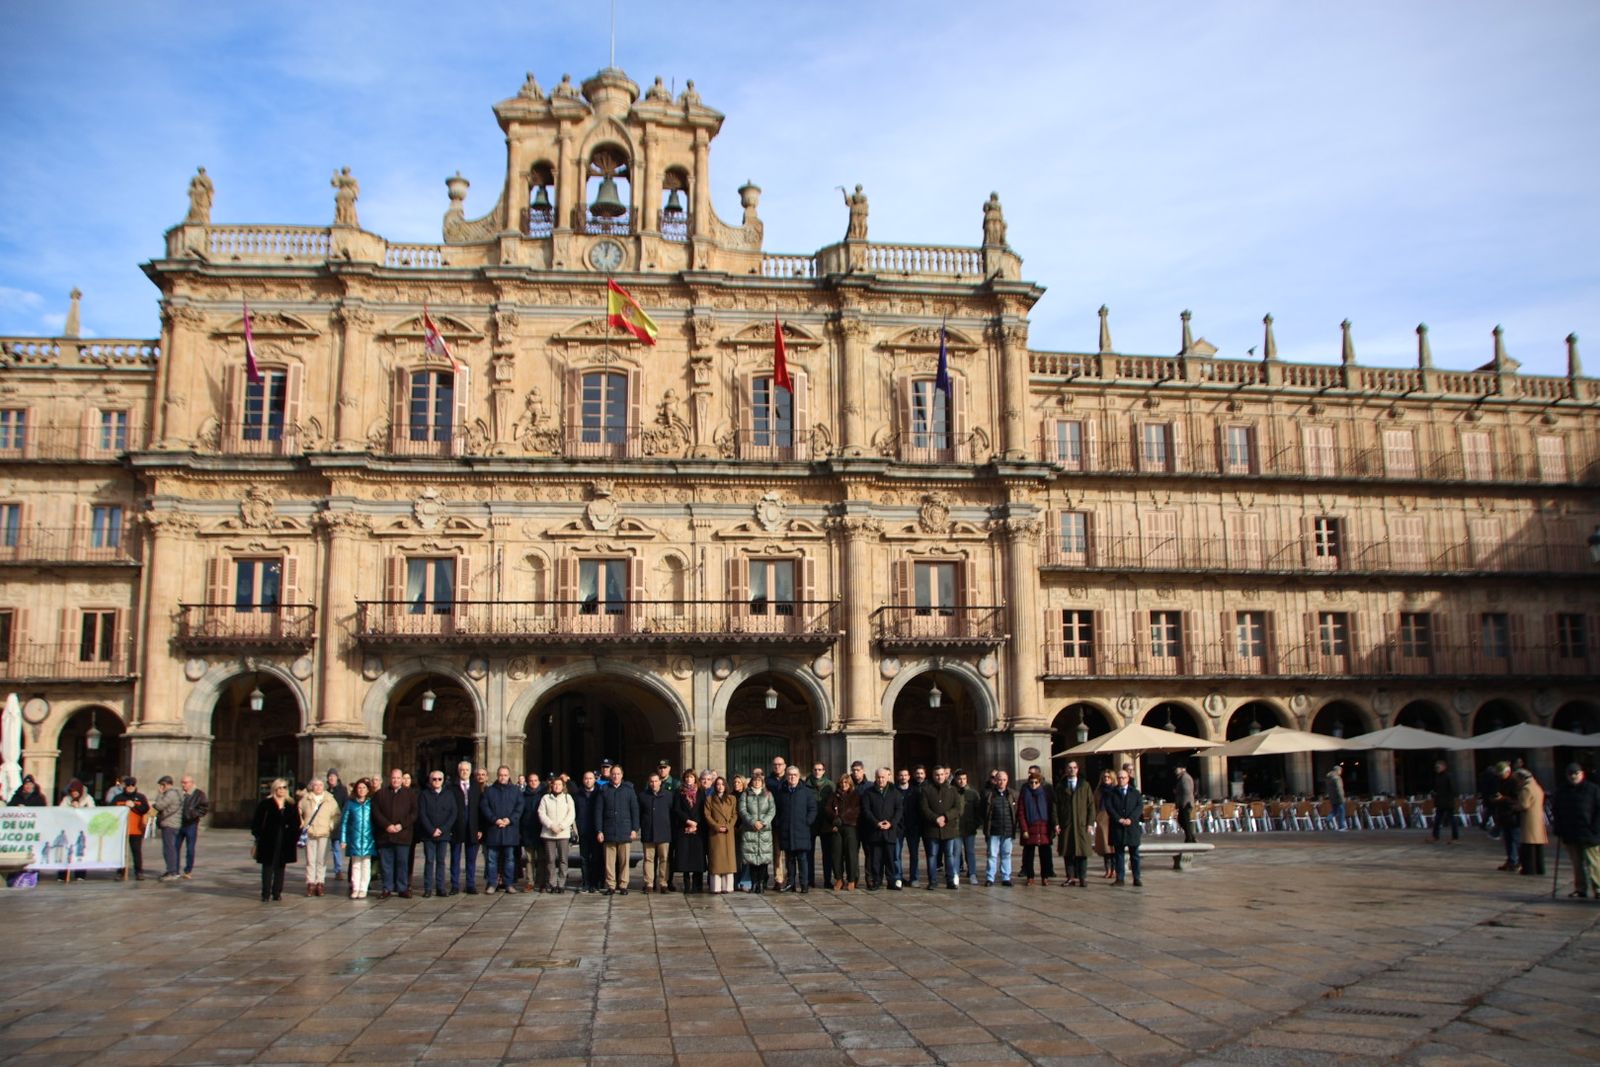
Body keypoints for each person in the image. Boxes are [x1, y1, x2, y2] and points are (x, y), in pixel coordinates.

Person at [1552, 764, 1600, 898]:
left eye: (1576, 773)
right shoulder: (1562, 791)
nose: (1573, 776)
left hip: (1589, 832)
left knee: (1594, 862)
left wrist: (1595, 827)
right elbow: (1557, 811)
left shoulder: (1593, 789)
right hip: (1570, 832)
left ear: (1582, 774)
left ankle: (1598, 888)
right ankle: (1580, 888)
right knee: (1577, 863)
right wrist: (1559, 828)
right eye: (1570, 774)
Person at [251, 778, 301, 902]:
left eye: (284, 787)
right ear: (274, 789)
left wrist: (294, 837)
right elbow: (256, 822)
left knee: (280, 867)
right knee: (267, 867)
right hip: (268, 840)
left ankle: (277, 892)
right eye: (279, 787)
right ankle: (265, 893)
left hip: (285, 840)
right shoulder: (265, 804)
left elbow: (296, 823)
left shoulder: (291, 805)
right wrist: (259, 835)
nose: (282, 790)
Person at [372, 768, 419, 899]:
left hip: (403, 835)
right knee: (386, 864)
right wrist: (387, 825)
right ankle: (387, 887)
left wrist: (401, 825)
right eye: (394, 778)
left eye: (398, 778)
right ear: (389, 778)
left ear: (402, 779)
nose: (396, 780)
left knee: (402, 863)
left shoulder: (410, 795)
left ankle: (402, 888)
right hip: (385, 835)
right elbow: (376, 812)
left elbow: (414, 813)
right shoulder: (380, 794)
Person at [773, 765, 818, 893]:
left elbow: (813, 809)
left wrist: (807, 822)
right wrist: (779, 822)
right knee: (790, 860)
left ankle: (804, 884)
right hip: (787, 830)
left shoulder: (806, 791)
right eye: (789, 775)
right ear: (786, 776)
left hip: (801, 830)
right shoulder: (782, 792)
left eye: (794, 775)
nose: (792, 777)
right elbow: (777, 810)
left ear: (799, 776)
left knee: (802, 859)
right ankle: (791, 883)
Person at [479, 765, 523, 894]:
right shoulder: (489, 791)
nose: (503, 777)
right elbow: (485, 807)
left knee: (510, 859)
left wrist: (510, 820)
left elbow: (519, 807)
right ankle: (492, 883)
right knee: (492, 859)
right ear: (497, 776)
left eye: (505, 775)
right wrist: (495, 819)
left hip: (510, 830)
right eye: (500, 775)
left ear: (509, 776)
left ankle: (508, 883)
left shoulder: (516, 791)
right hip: (494, 829)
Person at [597, 764, 639, 895]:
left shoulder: (629, 789)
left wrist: (634, 829)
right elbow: (598, 811)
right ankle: (611, 885)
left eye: (618, 774)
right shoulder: (604, 789)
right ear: (610, 775)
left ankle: (623, 884)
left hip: (624, 829)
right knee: (609, 861)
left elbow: (634, 810)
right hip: (608, 829)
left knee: (624, 860)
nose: (615, 776)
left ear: (622, 775)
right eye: (613, 774)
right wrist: (599, 830)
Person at [860, 767, 903, 890]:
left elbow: (899, 810)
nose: (881, 780)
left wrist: (891, 823)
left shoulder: (895, 792)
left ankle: (891, 881)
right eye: (878, 777)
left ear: (888, 777)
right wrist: (876, 823)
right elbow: (866, 810)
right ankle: (877, 881)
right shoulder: (869, 792)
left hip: (890, 832)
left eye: (883, 777)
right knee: (876, 860)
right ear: (875, 778)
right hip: (875, 832)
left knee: (890, 859)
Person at [416, 769, 457, 898]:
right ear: (430, 780)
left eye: (439, 779)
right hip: (429, 834)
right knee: (429, 861)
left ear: (443, 780)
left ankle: (440, 887)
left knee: (441, 861)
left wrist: (443, 829)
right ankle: (428, 888)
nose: (437, 781)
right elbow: (422, 814)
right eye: (434, 779)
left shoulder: (449, 794)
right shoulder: (424, 794)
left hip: (443, 834)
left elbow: (453, 813)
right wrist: (431, 829)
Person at [298, 776, 340, 897]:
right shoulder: (306, 798)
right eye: (315, 785)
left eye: (320, 785)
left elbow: (337, 814)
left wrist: (331, 825)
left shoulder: (329, 799)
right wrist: (302, 822)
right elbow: (298, 810)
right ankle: (310, 883)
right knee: (310, 860)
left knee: (321, 860)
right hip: (310, 832)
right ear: (312, 786)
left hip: (324, 833)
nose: (318, 787)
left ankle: (320, 883)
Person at [920, 764, 961, 889]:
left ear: (946, 775)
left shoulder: (952, 790)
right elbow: (924, 808)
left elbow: (957, 808)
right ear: (933, 776)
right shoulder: (926, 790)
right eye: (937, 775)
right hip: (932, 829)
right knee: (932, 855)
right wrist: (935, 818)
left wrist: (946, 817)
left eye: (942, 774)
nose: (939, 777)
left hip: (948, 828)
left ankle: (950, 880)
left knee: (949, 855)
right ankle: (933, 881)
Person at [1055, 760, 1095, 888]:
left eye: (1074, 767)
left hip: (1081, 824)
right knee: (1068, 852)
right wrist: (1056, 823)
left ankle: (1082, 877)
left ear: (1078, 769)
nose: (1072, 770)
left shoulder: (1085, 785)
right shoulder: (1061, 786)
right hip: (1066, 823)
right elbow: (1055, 806)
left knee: (1082, 852)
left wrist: (1090, 823)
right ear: (1066, 770)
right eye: (1069, 768)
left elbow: (1091, 805)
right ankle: (1070, 877)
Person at [738, 769, 776, 893]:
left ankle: (761, 883)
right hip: (750, 831)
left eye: (759, 781)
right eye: (755, 780)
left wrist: (763, 822)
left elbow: (772, 810)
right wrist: (753, 822)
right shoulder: (745, 794)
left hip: (764, 832)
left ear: (763, 782)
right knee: (752, 859)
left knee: (764, 860)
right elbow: (743, 810)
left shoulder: (768, 795)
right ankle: (754, 883)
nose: (757, 783)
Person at [1017, 765, 1056, 886]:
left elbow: (1051, 810)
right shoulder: (1025, 792)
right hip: (1030, 827)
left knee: (1045, 854)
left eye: (1035, 782)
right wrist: (1024, 828)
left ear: (1040, 781)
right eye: (1031, 782)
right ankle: (1030, 876)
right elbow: (1021, 811)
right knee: (1028, 854)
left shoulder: (1046, 791)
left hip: (1044, 827)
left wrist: (1054, 825)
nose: (1033, 784)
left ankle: (1045, 876)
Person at [1104, 768, 1144, 887]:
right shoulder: (1112, 793)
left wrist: (1131, 819)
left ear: (1128, 778)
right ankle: (1120, 878)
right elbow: (1109, 807)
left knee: (1135, 855)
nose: (1121, 780)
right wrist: (1119, 819)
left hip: (1132, 828)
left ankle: (1137, 878)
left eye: (1124, 777)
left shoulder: (1135, 792)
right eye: (1119, 778)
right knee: (1119, 854)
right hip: (1118, 827)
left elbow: (1139, 807)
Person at [451, 762, 485, 894]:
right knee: (455, 858)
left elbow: (480, 810)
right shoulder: (452, 787)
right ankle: (455, 885)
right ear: (458, 771)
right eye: (462, 770)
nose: (464, 772)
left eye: (467, 770)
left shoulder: (476, 787)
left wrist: (480, 828)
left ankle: (470, 884)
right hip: (457, 827)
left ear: (471, 772)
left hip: (473, 826)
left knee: (471, 858)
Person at [340, 777, 376, 899]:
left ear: (367, 790)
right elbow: (344, 822)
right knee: (355, 864)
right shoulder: (350, 804)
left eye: (364, 788)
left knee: (366, 864)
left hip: (368, 838)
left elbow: (375, 821)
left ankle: (363, 888)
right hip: (354, 838)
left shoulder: (371, 803)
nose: (361, 790)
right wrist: (343, 839)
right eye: (359, 788)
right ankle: (355, 887)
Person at [637, 772, 673, 893]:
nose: (654, 784)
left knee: (664, 859)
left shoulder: (668, 796)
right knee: (649, 859)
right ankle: (649, 884)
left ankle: (663, 883)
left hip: (664, 832)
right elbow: (639, 813)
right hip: (649, 832)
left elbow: (672, 813)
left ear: (660, 782)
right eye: (651, 781)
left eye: (656, 781)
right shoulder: (642, 796)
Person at [537, 775, 574, 892]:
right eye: (555, 784)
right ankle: (552, 883)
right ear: (551, 786)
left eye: (559, 784)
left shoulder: (568, 798)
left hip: (563, 834)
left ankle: (561, 883)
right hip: (549, 834)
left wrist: (562, 826)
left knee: (563, 860)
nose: (557, 786)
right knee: (550, 859)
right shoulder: (545, 798)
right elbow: (541, 813)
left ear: (563, 786)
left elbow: (571, 815)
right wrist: (551, 825)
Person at [672, 770, 707, 894]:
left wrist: (696, 823)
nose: (688, 779)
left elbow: (704, 810)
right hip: (684, 829)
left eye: (691, 777)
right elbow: (676, 809)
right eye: (686, 777)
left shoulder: (701, 792)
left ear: (695, 778)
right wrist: (688, 821)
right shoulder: (679, 792)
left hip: (698, 830)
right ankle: (687, 885)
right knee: (685, 858)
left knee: (697, 859)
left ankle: (697, 885)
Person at [703, 776, 739, 894]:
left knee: (728, 860)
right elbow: (707, 815)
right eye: (718, 784)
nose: (720, 786)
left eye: (722, 784)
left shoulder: (732, 799)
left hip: (728, 833)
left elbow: (735, 814)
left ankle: (728, 887)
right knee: (716, 860)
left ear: (726, 786)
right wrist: (717, 826)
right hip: (715, 833)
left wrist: (728, 826)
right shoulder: (709, 799)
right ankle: (716, 887)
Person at [110, 777, 150, 881]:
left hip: (136, 829)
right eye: (128, 785)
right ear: (125, 786)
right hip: (122, 830)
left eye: (132, 785)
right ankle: (120, 872)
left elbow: (145, 809)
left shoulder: (140, 797)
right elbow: (111, 810)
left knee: (136, 851)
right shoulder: (118, 798)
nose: (130, 787)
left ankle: (139, 872)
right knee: (121, 852)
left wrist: (133, 806)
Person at [982, 770, 1017, 887]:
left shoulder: (1012, 794)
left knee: (1006, 854)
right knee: (992, 854)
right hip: (993, 830)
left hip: (1007, 830)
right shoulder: (989, 795)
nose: (1001, 782)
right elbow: (983, 812)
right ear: (995, 780)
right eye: (999, 779)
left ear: (1007, 780)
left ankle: (1006, 877)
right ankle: (990, 878)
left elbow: (1016, 812)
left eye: (1004, 780)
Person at [828, 771, 861, 890]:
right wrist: (834, 818)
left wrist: (841, 818)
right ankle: (838, 879)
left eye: (846, 782)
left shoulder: (856, 795)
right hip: (837, 828)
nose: (843, 784)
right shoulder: (834, 795)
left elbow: (856, 811)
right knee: (836, 854)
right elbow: (828, 809)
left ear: (850, 783)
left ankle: (851, 879)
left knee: (851, 855)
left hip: (850, 827)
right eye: (842, 782)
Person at [571, 770, 603, 892]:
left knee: (596, 858)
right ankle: (586, 882)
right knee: (584, 858)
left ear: (594, 779)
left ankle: (596, 882)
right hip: (583, 830)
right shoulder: (577, 794)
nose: (588, 781)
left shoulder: (599, 793)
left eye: (590, 778)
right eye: (586, 778)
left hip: (596, 830)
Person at [1512, 768, 1547, 876]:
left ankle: (1530, 869)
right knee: (1538, 847)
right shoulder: (1537, 786)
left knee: (1529, 845)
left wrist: (1514, 807)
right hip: (1538, 818)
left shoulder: (1526, 788)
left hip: (1529, 819)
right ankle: (1540, 868)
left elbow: (1524, 805)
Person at [807, 761, 835, 889]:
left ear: (824, 771)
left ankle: (827, 879)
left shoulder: (830, 785)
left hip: (826, 823)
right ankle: (809, 879)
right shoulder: (806, 784)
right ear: (812, 771)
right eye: (815, 769)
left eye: (820, 769)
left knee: (827, 854)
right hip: (811, 823)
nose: (817, 771)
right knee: (808, 853)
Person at [894, 767, 922, 889]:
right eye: (901, 775)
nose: (903, 777)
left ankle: (914, 877)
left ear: (909, 777)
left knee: (914, 854)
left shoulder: (915, 791)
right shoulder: (894, 791)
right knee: (896, 854)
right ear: (897, 777)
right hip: (898, 827)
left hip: (912, 827)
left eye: (905, 775)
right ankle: (898, 877)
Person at [151, 775, 183, 880]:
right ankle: (171, 870)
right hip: (173, 823)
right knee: (170, 848)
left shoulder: (170, 794)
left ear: (165, 784)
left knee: (169, 849)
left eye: (161, 785)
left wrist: (160, 794)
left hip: (170, 824)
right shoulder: (176, 793)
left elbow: (159, 805)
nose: (160, 787)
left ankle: (172, 871)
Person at [1491, 762, 1522, 871]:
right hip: (1504, 815)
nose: (1499, 776)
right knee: (1507, 840)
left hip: (1513, 815)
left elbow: (1517, 800)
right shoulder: (1500, 781)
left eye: (1501, 774)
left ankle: (1517, 862)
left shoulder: (1515, 782)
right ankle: (1510, 860)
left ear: (1508, 772)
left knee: (1515, 839)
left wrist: (1503, 798)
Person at [177, 774, 209, 879]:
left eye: (185, 783)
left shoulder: (199, 794)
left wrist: (193, 814)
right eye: (182, 782)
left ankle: (188, 870)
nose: (183, 785)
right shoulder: (179, 794)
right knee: (175, 847)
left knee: (190, 848)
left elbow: (204, 808)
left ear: (191, 783)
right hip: (179, 823)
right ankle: (175, 869)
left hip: (191, 824)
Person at [952, 769, 981, 884]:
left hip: (969, 828)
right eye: (959, 779)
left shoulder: (973, 793)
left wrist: (976, 824)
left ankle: (972, 873)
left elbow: (978, 811)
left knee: (970, 851)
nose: (962, 781)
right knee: (956, 852)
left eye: (964, 779)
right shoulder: (952, 792)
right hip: (956, 828)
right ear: (955, 779)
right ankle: (955, 874)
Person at [325, 769, 349, 881]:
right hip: (326, 823)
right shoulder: (326, 791)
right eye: (330, 777)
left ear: (337, 778)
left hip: (338, 822)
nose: (331, 779)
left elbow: (345, 805)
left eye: (333, 776)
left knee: (336, 847)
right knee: (328, 848)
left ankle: (338, 870)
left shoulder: (342, 790)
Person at [1093, 769, 1117, 880]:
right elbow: (1095, 805)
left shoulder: (1116, 790)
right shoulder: (1098, 791)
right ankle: (1107, 870)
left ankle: (1114, 869)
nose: (1106, 779)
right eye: (1104, 777)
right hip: (1102, 819)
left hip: (1113, 819)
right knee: (1105, 847)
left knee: (1114, 847)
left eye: (1108, 777)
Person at [1429, 759, 1459, 843]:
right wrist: (1434, 793)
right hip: (1440, 801)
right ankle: (1435, 836)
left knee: (1452, 820)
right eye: (1436, 767)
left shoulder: (1448, 776)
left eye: (1439, 766)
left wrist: (1450, 797)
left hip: (1448, 801)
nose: (1437, 768)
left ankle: (1455, 837)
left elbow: (1452, 789)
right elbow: (1437, 789)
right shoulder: (1437, 777)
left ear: (1444, 767)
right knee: (1437, 820)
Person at [1173, 765, 1198, 844]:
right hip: (1184, 802)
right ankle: (1190, 836)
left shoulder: (1185, 778)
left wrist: (1177, 791)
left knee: (1185, 820)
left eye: (1177, 769)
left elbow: (1187, 790)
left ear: (1183, 769)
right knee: (1182, 820)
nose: (1176, 770)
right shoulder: (1181, 778)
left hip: (1185, 802)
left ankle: (1190, 838)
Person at [1325, 765, 1348, 831]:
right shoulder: (1337, 778)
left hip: (1332, 798)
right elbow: (1339, 789)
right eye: (1340, 771)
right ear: (1338, 771)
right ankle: (1342, 826)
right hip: (1338, 798)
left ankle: (1328, 818)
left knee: (1334, 811)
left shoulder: (1329, 778)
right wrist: (1342, 798)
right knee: (1341, 812)